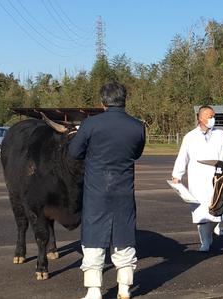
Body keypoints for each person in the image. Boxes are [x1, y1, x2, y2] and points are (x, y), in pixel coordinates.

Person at [69, 82, 146, 299]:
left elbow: (74, 152)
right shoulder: (137, 126)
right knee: (124, 236)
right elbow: (137, 153)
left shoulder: (90, 124)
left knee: (93, 239)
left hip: (97, 190)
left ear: (103, 102)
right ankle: (124, 288)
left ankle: (94, 291)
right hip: (124, 191)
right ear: (124, 100)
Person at [172, 105, 223, 252]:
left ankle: (210, 234)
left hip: (217, 180)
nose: (213, 119)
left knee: (216, 212)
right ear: (200, 117)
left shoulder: (220, 135)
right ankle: (205, 241)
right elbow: (182, 157)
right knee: (201, 213)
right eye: (210, 116)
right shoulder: (190, 137)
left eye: (213, 116)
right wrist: (177, 176)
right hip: (198, 180)